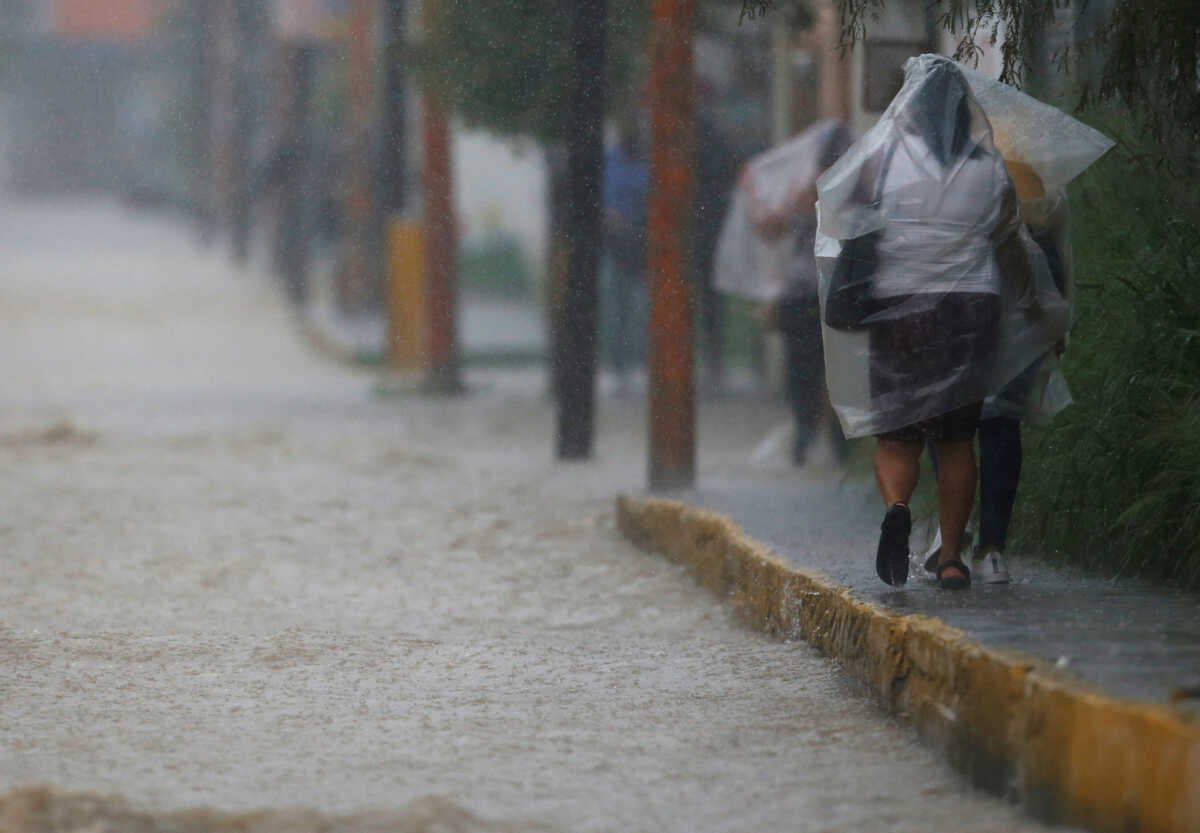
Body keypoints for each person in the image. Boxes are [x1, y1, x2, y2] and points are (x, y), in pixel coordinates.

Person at [815, 55, 1069, 589]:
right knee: (957, 439)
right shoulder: (988, 166)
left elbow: (846, 218)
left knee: (898, 437)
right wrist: (1032, 302)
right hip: (968, 312)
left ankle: (899, 508)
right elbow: (1008, 246)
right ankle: (953, 557)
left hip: (899, 310)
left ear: (907, 106)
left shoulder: (880, 160)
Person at [599, 116, 650, 390]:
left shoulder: (648, 161)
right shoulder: (611, 160)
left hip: (643, 243)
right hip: (617, 243)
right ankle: (619, 365)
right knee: (618, 307)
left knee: (642, 308)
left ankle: (642, 363)